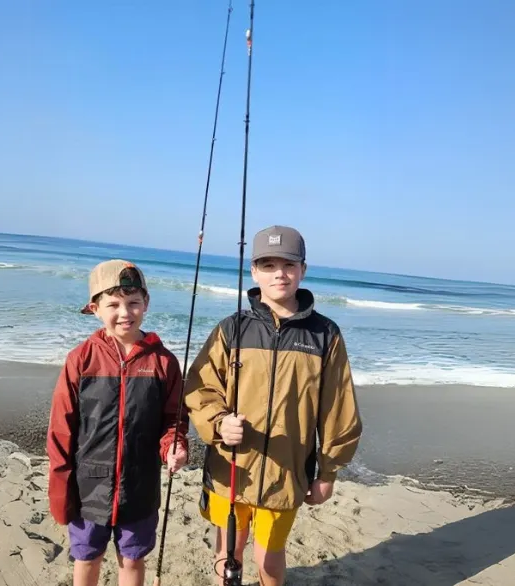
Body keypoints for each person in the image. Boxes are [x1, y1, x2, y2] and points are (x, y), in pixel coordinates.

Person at [183, 225, 363, 586]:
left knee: (269, 558)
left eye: (288, 264)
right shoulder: (231, 329)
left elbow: (337, 408)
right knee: (228, 551)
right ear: (254, 271)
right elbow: (200, 387)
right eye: (268, 264)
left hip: (287, 474)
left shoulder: (325, 335)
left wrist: (328, 472)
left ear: (303, 270)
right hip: (231, 469)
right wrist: (218, 423)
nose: (279, 273)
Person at [47, 259, 190, 586]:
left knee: (132, 559)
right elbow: (60, 430)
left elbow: (174, 419)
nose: (125, 312)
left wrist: (175, 446)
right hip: (88, 488)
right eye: (113, 304)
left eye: (133, 303)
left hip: (139, 488)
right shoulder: (81, 359)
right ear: (95, 308)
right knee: (86, 558)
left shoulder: (163, 362)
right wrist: (60, 488)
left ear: (146, 304)